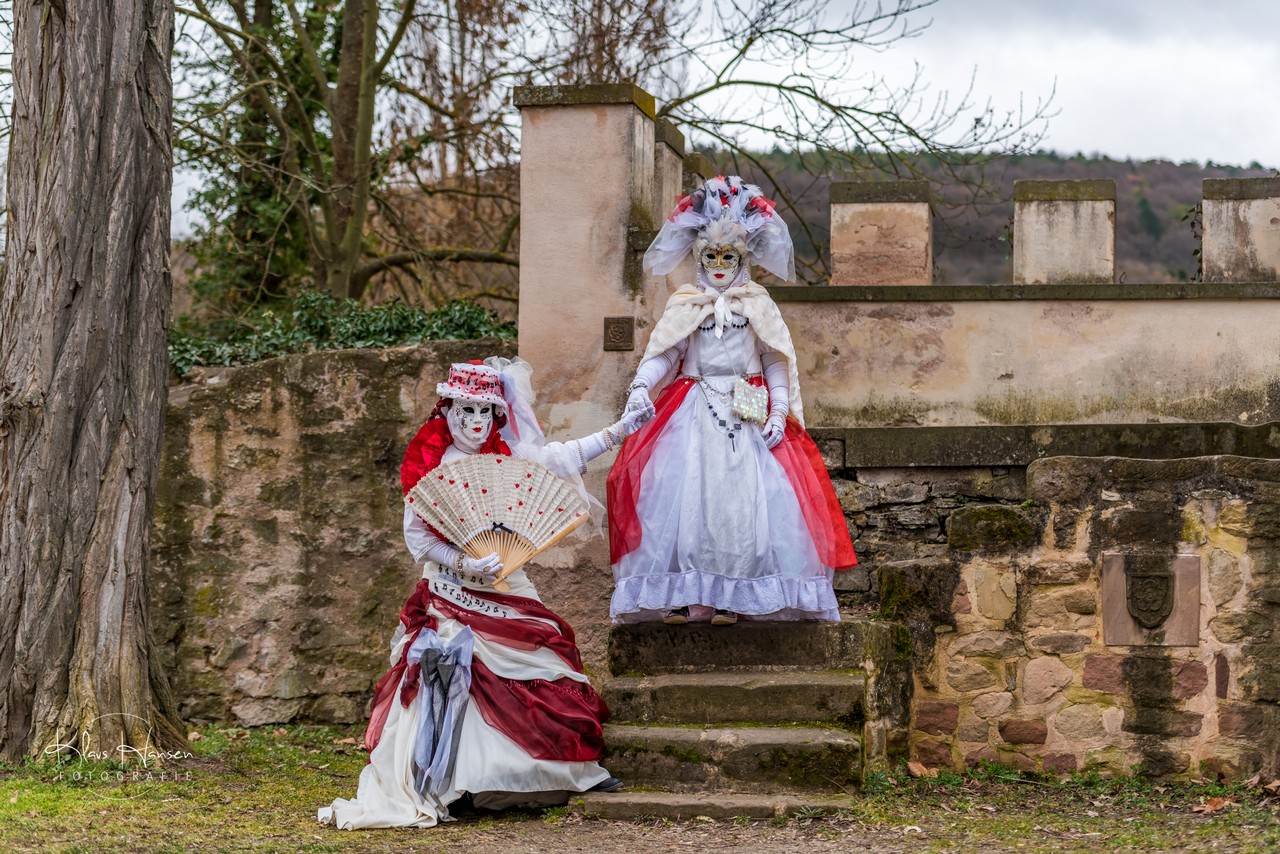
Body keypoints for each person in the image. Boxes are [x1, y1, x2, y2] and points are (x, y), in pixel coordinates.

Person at [319, 357, 649, 829]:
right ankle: (456, 782)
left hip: (508, 585)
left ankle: (558, 775)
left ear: (496, 415)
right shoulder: (431, 464)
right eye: (466, 411)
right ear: (448, 410)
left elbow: (563, 457)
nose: (475, 422)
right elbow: (418, 539)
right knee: (456, 674)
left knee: (541, 659)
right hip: (451, 589)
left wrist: (618, 431)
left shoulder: (507, 457)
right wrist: (464, 562)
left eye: (485, 413)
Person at [607, 176, 857, 627]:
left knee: (750, 508)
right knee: (685, 505)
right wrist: (641, 386)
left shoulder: (757, 304)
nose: (720, 265)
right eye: (711, 256)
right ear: (699, 257)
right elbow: (666, 353)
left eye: (729, 257)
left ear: (743, 259)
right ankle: (692, 596)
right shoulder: (686, 304)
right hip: (692, 409)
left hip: (749, 411)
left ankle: (740, 598)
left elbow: (775, 358)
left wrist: (778, 410)